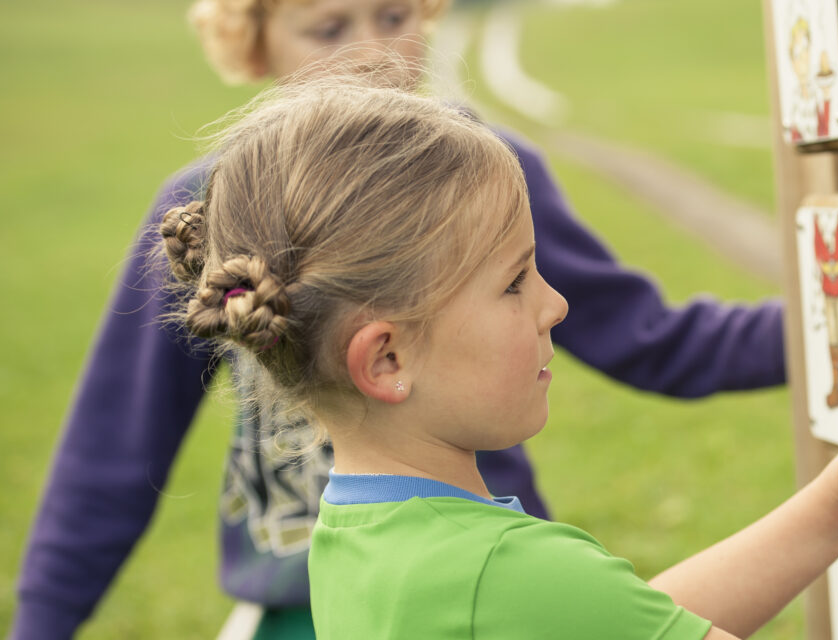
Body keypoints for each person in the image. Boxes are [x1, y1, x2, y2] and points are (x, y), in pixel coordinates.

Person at [11, 1, 784, 638]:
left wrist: (837, 321)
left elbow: (651, 338)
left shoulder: (483, 172)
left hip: (487, 583)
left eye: (393, 14)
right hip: (303, 603)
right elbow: (111, 451)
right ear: (253, 41)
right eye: (329, 27)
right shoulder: (213, 206)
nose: (374, 51)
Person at [161, 77, 838, 640]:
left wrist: (830, 514)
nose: (556, 304)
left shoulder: (360, 533)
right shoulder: (497, 571)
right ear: (386, 359)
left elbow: (630, 621)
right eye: (514, 283)